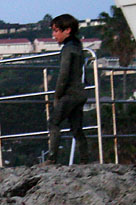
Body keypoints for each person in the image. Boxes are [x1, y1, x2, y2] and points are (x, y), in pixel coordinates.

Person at [46, 13, 88, 165]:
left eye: (56, 31)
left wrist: (57, 95)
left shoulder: (67, 49)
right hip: (81, 93)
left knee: (54, 122)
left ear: (67, 30)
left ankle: (52, 158)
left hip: (70, 93)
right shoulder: (77, 46)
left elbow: (64, 74)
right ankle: (84, 160)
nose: (54, 35)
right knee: (77, 128)